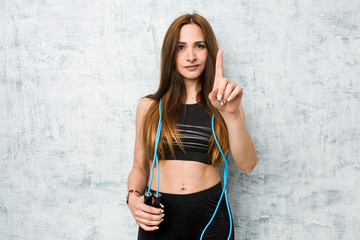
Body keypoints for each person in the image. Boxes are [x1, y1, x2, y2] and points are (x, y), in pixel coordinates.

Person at [127, 13, 257, 240]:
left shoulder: (226, 105)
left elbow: (247, 164)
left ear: (210, 51)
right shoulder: (149, 107)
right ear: (170, 54)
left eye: (199, 45)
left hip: (211, 215)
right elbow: (139, 167)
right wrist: (133, 199)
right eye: (181, 47)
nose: (191, 56)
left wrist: (232, 115)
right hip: (159, 216)